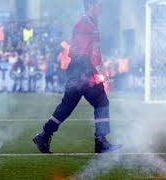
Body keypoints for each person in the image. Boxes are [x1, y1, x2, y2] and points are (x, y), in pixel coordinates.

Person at [33, 0, 122, 153]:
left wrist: (96, 67)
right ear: (90, 7)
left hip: (80, 69)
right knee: (101, 102)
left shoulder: (90, 23)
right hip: (82, 69)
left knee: (68, 105)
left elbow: (92, 51)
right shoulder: (85, 24)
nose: (101, 8)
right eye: (99, 5)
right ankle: (100, 142)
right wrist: (90, 72)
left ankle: (44, 135)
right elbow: (81, 52)